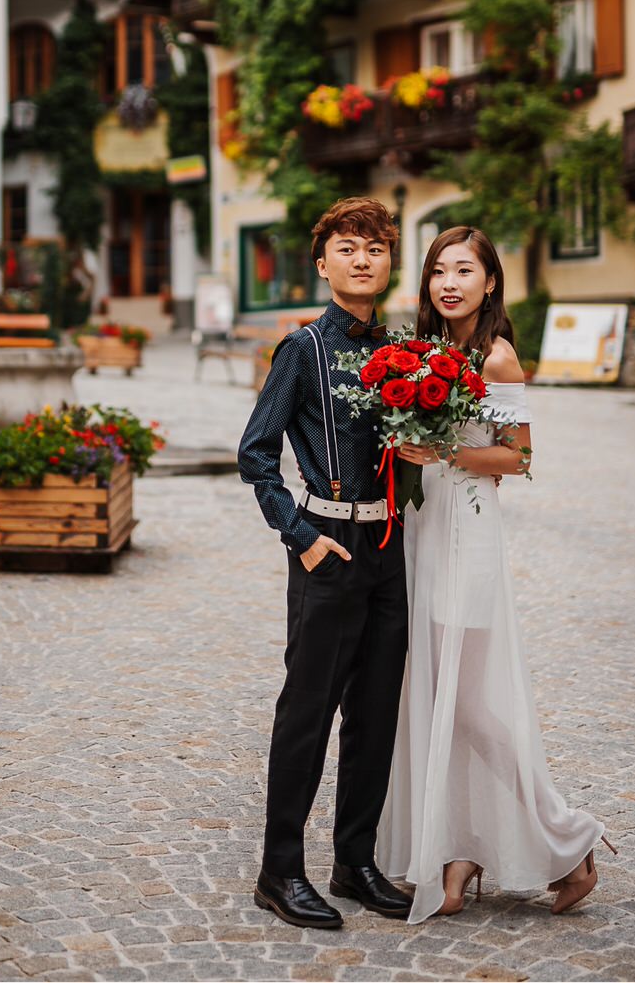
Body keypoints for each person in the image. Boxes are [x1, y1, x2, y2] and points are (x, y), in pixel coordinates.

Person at [377, 225, 616, 923]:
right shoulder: (425, 353)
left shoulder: (499, 359)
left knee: (470, 704)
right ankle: (458, 851)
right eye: (438, 271)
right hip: (424, 532)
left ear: (489, 282)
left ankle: (569, 838)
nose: (449, 282)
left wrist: (440, 447)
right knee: (433, 695)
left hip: (469, 532)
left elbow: (518, 458)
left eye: (464, 270)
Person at [238, 197, 413, 929]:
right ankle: (279, 871)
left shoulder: (403, 352)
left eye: (374, 247)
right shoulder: (303, 348)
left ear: (389, 261)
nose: (362, 258)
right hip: (328, 551)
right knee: (306, 713)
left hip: (387, 550)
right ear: (323, 261)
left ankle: (354, 860)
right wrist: (300, 534)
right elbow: (255, 453)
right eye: (347, 246)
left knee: (374, 715)